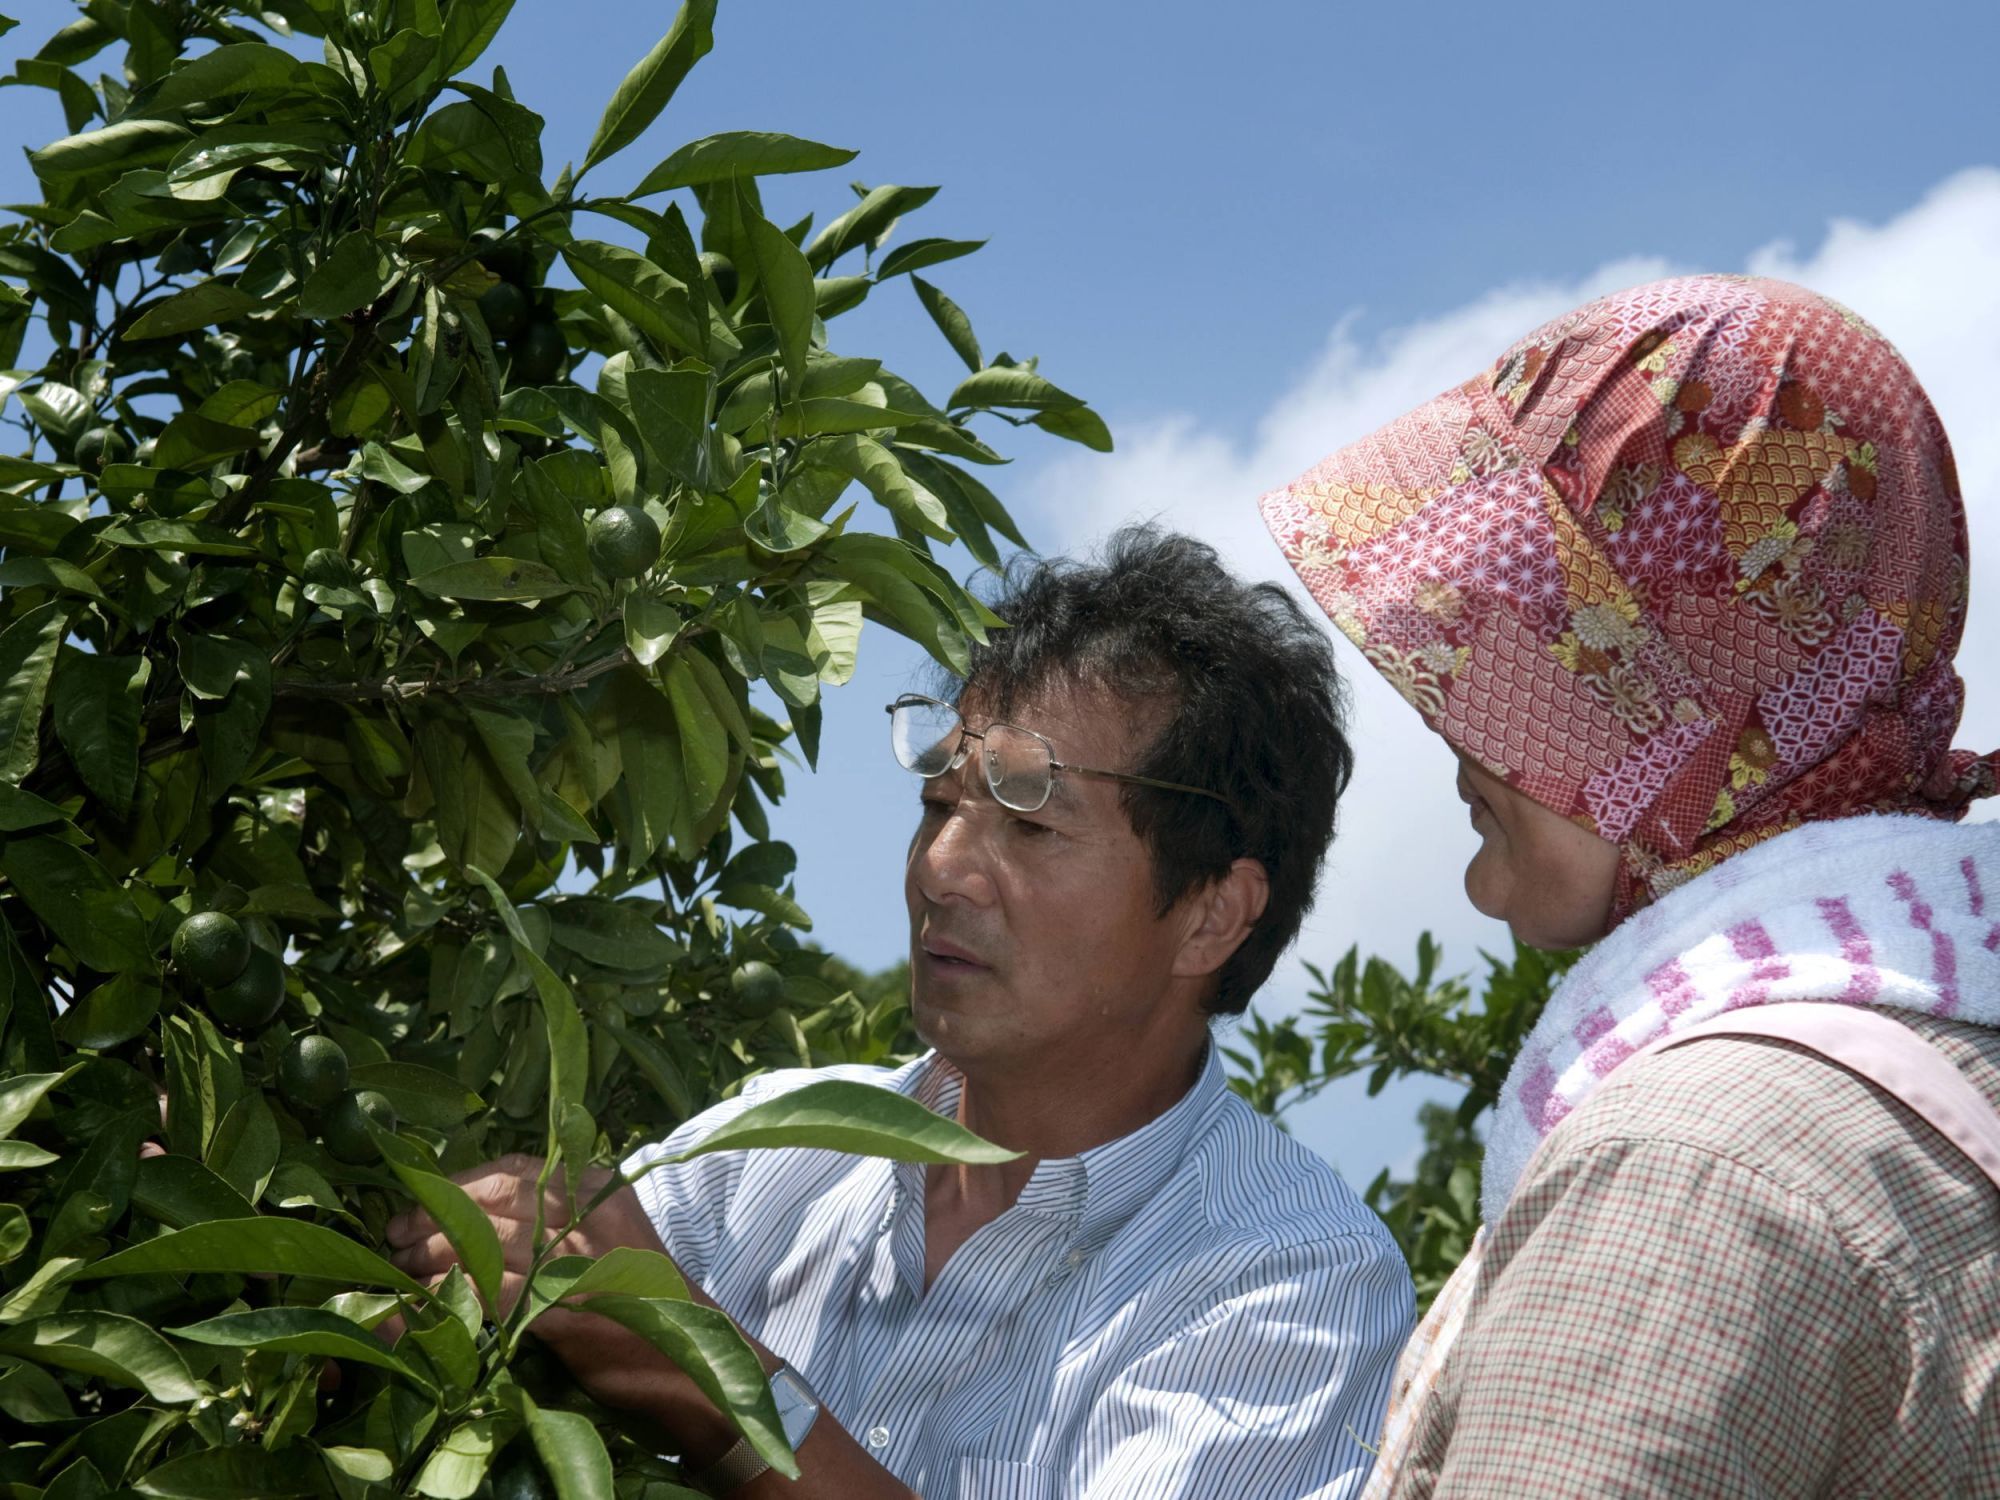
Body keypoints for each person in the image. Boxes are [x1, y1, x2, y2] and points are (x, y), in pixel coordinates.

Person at [388, 528, 1414, 1498]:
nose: (941, 869)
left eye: (1028, 825)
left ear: (1209, 915)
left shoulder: (1290, 1278)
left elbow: (652, 1327)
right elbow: (562, 1297)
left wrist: (710, 1381)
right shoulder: (776, 1149)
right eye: (937, 807)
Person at [1259, 273, 2000, 1496]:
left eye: (1522, 653)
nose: (1447, 710)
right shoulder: (1931, 1047)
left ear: (1701, 712)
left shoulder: (1691, 1172)